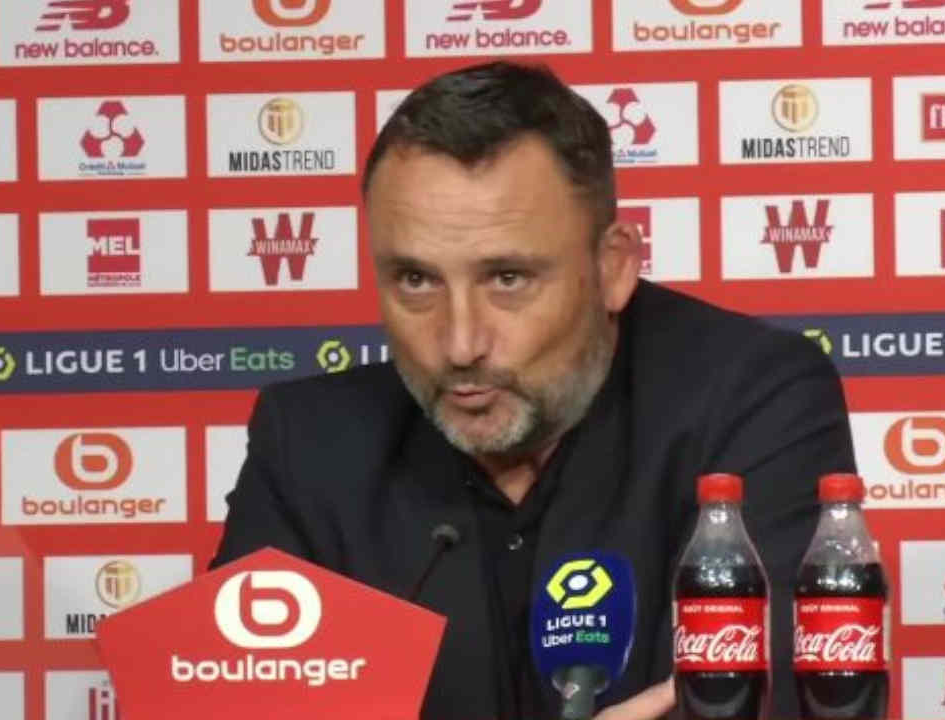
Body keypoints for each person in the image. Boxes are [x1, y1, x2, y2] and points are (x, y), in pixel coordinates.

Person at [210, 61, 856, 720]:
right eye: (416, 281)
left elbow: (766, 703)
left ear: (613, 268)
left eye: (508, 279)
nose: (459, 344)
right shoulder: (309, 444)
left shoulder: (751, 398)